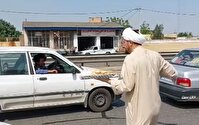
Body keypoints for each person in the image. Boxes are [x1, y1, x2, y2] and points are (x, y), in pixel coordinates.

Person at [97, 28, 177, 125]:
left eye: (123, 42)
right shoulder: (155, 55)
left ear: (130, 43)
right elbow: (172, 72)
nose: (122, 45)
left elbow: (126, 86)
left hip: (139, 111)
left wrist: (109, 81)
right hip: (155, 108)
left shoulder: (130, 58)